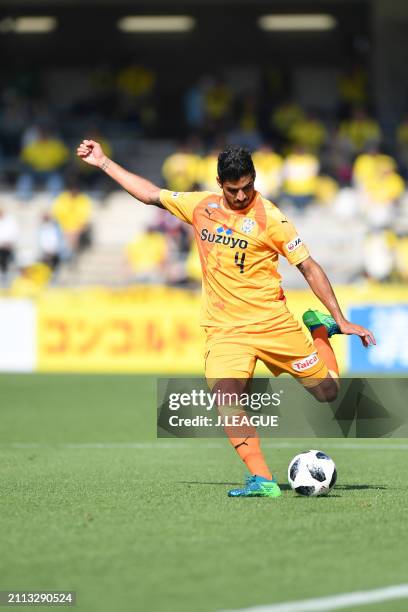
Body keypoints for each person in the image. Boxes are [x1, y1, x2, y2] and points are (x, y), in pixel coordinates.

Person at [77, 140, 376, 498]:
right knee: (226, 398)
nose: (241, 196)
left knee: (328, 393)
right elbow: (152, 194)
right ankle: (263, 480)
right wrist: (104, 162)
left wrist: (337, 319)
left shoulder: (272, 219)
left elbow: (309, 267)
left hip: (272, 324)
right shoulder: (200, 206)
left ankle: (317, 330)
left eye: (247, 187)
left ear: (255, 179)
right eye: (233, 190)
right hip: (224, 330)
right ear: (220, 183)